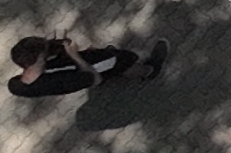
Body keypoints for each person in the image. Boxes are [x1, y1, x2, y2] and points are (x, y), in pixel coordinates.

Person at [7, 33, 162, 98]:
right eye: (44, 53)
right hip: (90, 70)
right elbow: (94, 79)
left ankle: (116, 69)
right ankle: (149, 71)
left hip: (76, 67)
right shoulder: (61, 82)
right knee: (121, 60)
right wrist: (74, 54)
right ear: (37, 59)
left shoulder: (17, 84)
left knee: (108, 61)